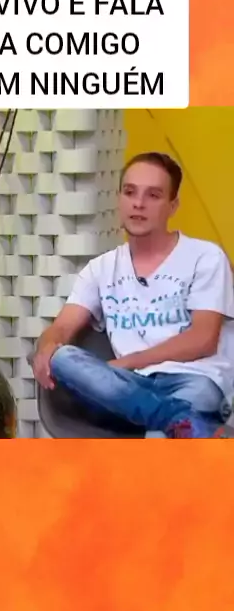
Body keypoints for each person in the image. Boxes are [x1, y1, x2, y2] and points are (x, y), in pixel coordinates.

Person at [32, 152, 234, 438]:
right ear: (119, 199)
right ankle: (180, 422)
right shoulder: (101, 268)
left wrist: (128, 362)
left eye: (153, 195)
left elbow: (203, 339)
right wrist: (46, 349)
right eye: (130, 192)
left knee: (169, 427)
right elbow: (62, 327)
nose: (138, 203)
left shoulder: (205, 257)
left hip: (192, 380)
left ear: (173, 206)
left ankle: (171, 424)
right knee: (62, 357)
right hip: (125, 388)